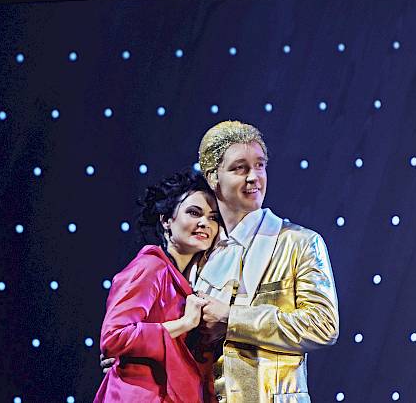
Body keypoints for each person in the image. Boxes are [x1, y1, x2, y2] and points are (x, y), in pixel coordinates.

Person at [193, 120, 340, 402]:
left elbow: (323, 326)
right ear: (213, 177)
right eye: (240, 168)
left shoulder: (298, 242)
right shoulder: (202, 253)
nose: (254, 177)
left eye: (259, 166)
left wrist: (232, 318)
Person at [94, 170, 220, 403]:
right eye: (194, 212)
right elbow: (113, 337)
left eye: (213, 218)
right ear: (166, 220)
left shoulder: (190, 280)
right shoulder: (151, 266)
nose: (205, 223)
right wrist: (184, 323)